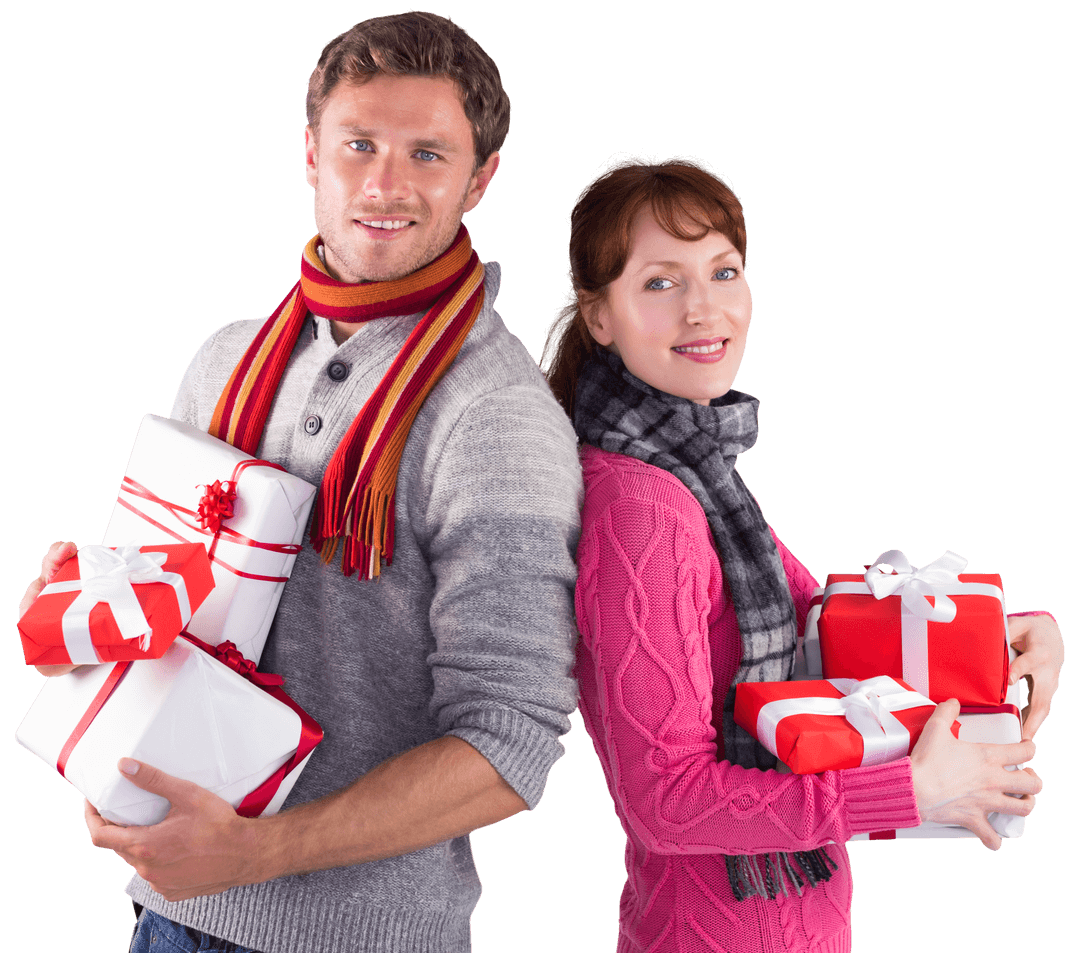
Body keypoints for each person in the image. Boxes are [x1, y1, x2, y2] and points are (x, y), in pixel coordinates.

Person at [19, 13, 582, 953]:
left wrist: (257, 852)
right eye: (359, 142)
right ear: (311, 153)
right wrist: (83, 612)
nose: (385, 183)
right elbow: (171, 622)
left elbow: (510, 744)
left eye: (428, 153)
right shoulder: (226, 358)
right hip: (169, 909)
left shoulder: (498, 415)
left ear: (480, 178)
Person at [539, 155, 1064, 953]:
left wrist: (1009, 634)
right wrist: (907, 791)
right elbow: (666, 801)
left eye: (723, 270)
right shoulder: (640, 508)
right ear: (598, 314)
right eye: (660, 282)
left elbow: (834, 640)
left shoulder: (696, 476)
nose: (704, 309)